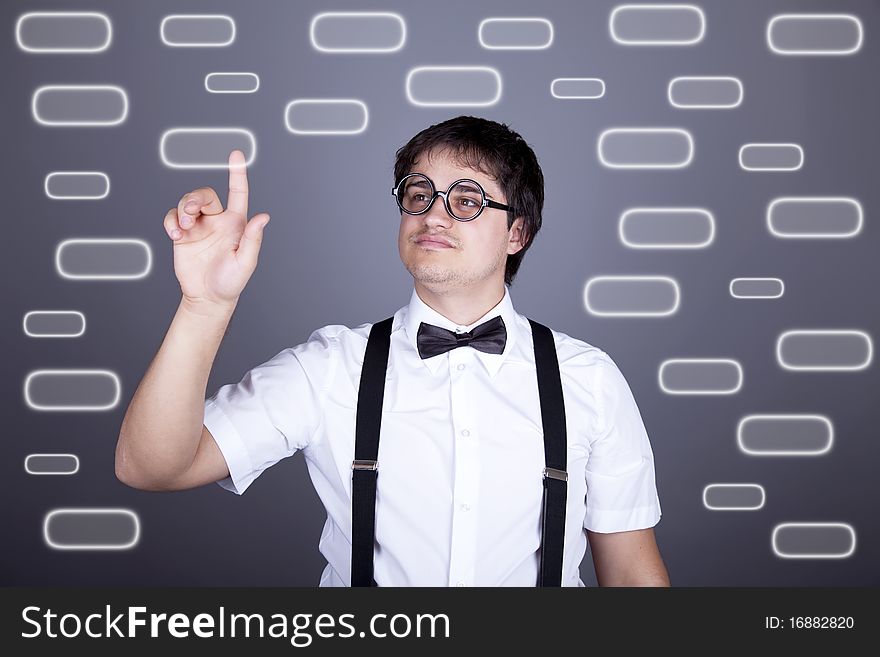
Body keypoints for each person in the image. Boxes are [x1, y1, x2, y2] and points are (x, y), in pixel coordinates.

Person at [115, 115, 670, 587]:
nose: (434, 213)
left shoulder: (588, 377)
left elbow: (631, 576)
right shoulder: (331, 366)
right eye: (419, 194)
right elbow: (151, 467)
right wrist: (204, 303)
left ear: (516, 233)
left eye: (468, 199)